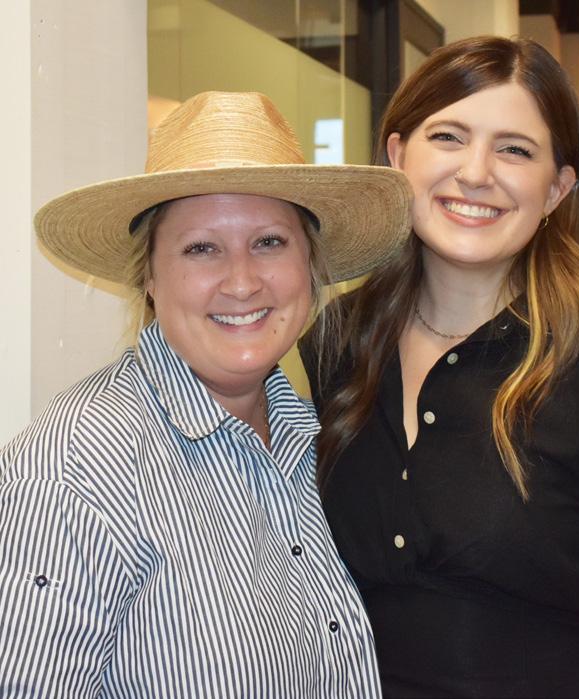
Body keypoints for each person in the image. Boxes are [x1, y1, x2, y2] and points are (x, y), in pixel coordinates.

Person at [300, 37, 579, 698]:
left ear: (557, 188)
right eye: (448, 137)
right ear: (398, 156)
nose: (476, 173)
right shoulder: (331, 342)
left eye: (515, 150)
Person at [0, 91, 412, 698]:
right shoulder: (75, 470)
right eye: (201, 248)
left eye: (269, 242)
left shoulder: (317, 435)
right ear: (149, 276)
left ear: (310, 265)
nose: (242, 282)